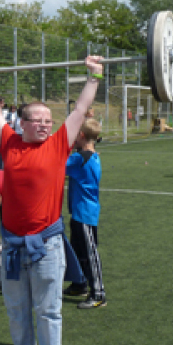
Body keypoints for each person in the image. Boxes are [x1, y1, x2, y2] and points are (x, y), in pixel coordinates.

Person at [0, 55, 102, 345]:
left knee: (48, 311)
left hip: (46, 245)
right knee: (16, 308)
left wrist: (93, 76)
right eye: (39, 120)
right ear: (24, 122)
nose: (46, 125)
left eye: (48, 120)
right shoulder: (10, 144)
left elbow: (78, 111)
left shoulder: (59, 145)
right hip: (14, 245)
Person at [63, 118, 105, 309]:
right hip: (79, 213)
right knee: (78, 252)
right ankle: (80, 284)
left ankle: (98, 294)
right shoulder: (88, 155)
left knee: (90, 254)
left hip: (85, 214)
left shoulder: (80, 158)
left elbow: (59, 164)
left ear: (80, 136)